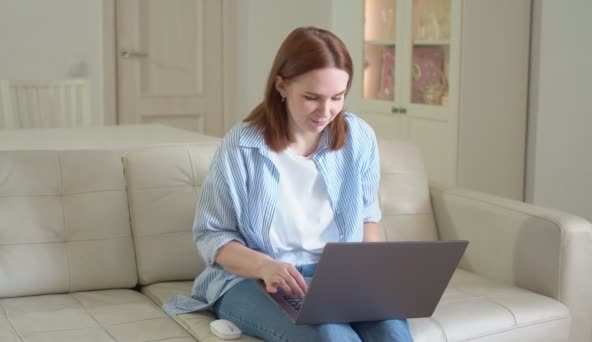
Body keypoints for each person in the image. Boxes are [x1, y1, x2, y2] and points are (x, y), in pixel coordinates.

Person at [163, 26, 413, 342]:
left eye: (337, 97)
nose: (326, 112)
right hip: (251, 279)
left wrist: (372, 275)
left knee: (393, 334)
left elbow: (367, 218)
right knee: (331, 338)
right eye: (312, 97)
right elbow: (212, 234)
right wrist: (266, 266)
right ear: (281, 85)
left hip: (336, 278)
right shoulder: (242, 145)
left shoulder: (358, 137)